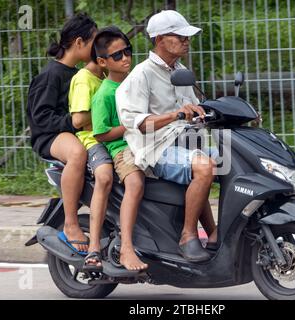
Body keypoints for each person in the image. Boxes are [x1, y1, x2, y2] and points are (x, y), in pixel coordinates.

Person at [116, 10, 217, 262]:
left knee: (234, 158)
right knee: (204, 167)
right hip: (156, 148)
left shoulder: (180, 71)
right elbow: (138, 124)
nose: (186, 41)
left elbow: (194, 108)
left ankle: (218, 233)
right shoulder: (142, 75)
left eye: (187, 36)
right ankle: (188, 235)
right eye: (180, 36)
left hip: (187, 142)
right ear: (160, 39)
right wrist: (176, 115)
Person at [26, 13, 97, 255]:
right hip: (49, 136)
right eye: (93, 42)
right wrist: (75, 123)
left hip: (71, 130)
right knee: (77, 153)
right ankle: (70, 224)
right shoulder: (51, 75)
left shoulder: (80, 74)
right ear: (79, 43)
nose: (97, 48)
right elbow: (41, 118)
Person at [91, 27, 148, 271]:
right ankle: (126, 247)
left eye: (128, 51)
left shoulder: (136, 83)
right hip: (122, 148)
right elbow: (101, 133)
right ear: (103, 62)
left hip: (147, 143)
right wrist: (130, 125)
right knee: (135, 182)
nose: (125, 58)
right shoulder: (104, 94)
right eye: (117, 55)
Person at [68, 36, 113, 269]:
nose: (123, 59)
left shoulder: (104, 77)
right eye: (116, 54)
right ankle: (94, 246)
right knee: (104, 176)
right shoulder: (84, 79)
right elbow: (77, 121)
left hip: (113, 137)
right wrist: (103, 110)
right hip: (92, 140)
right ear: (101, 57)